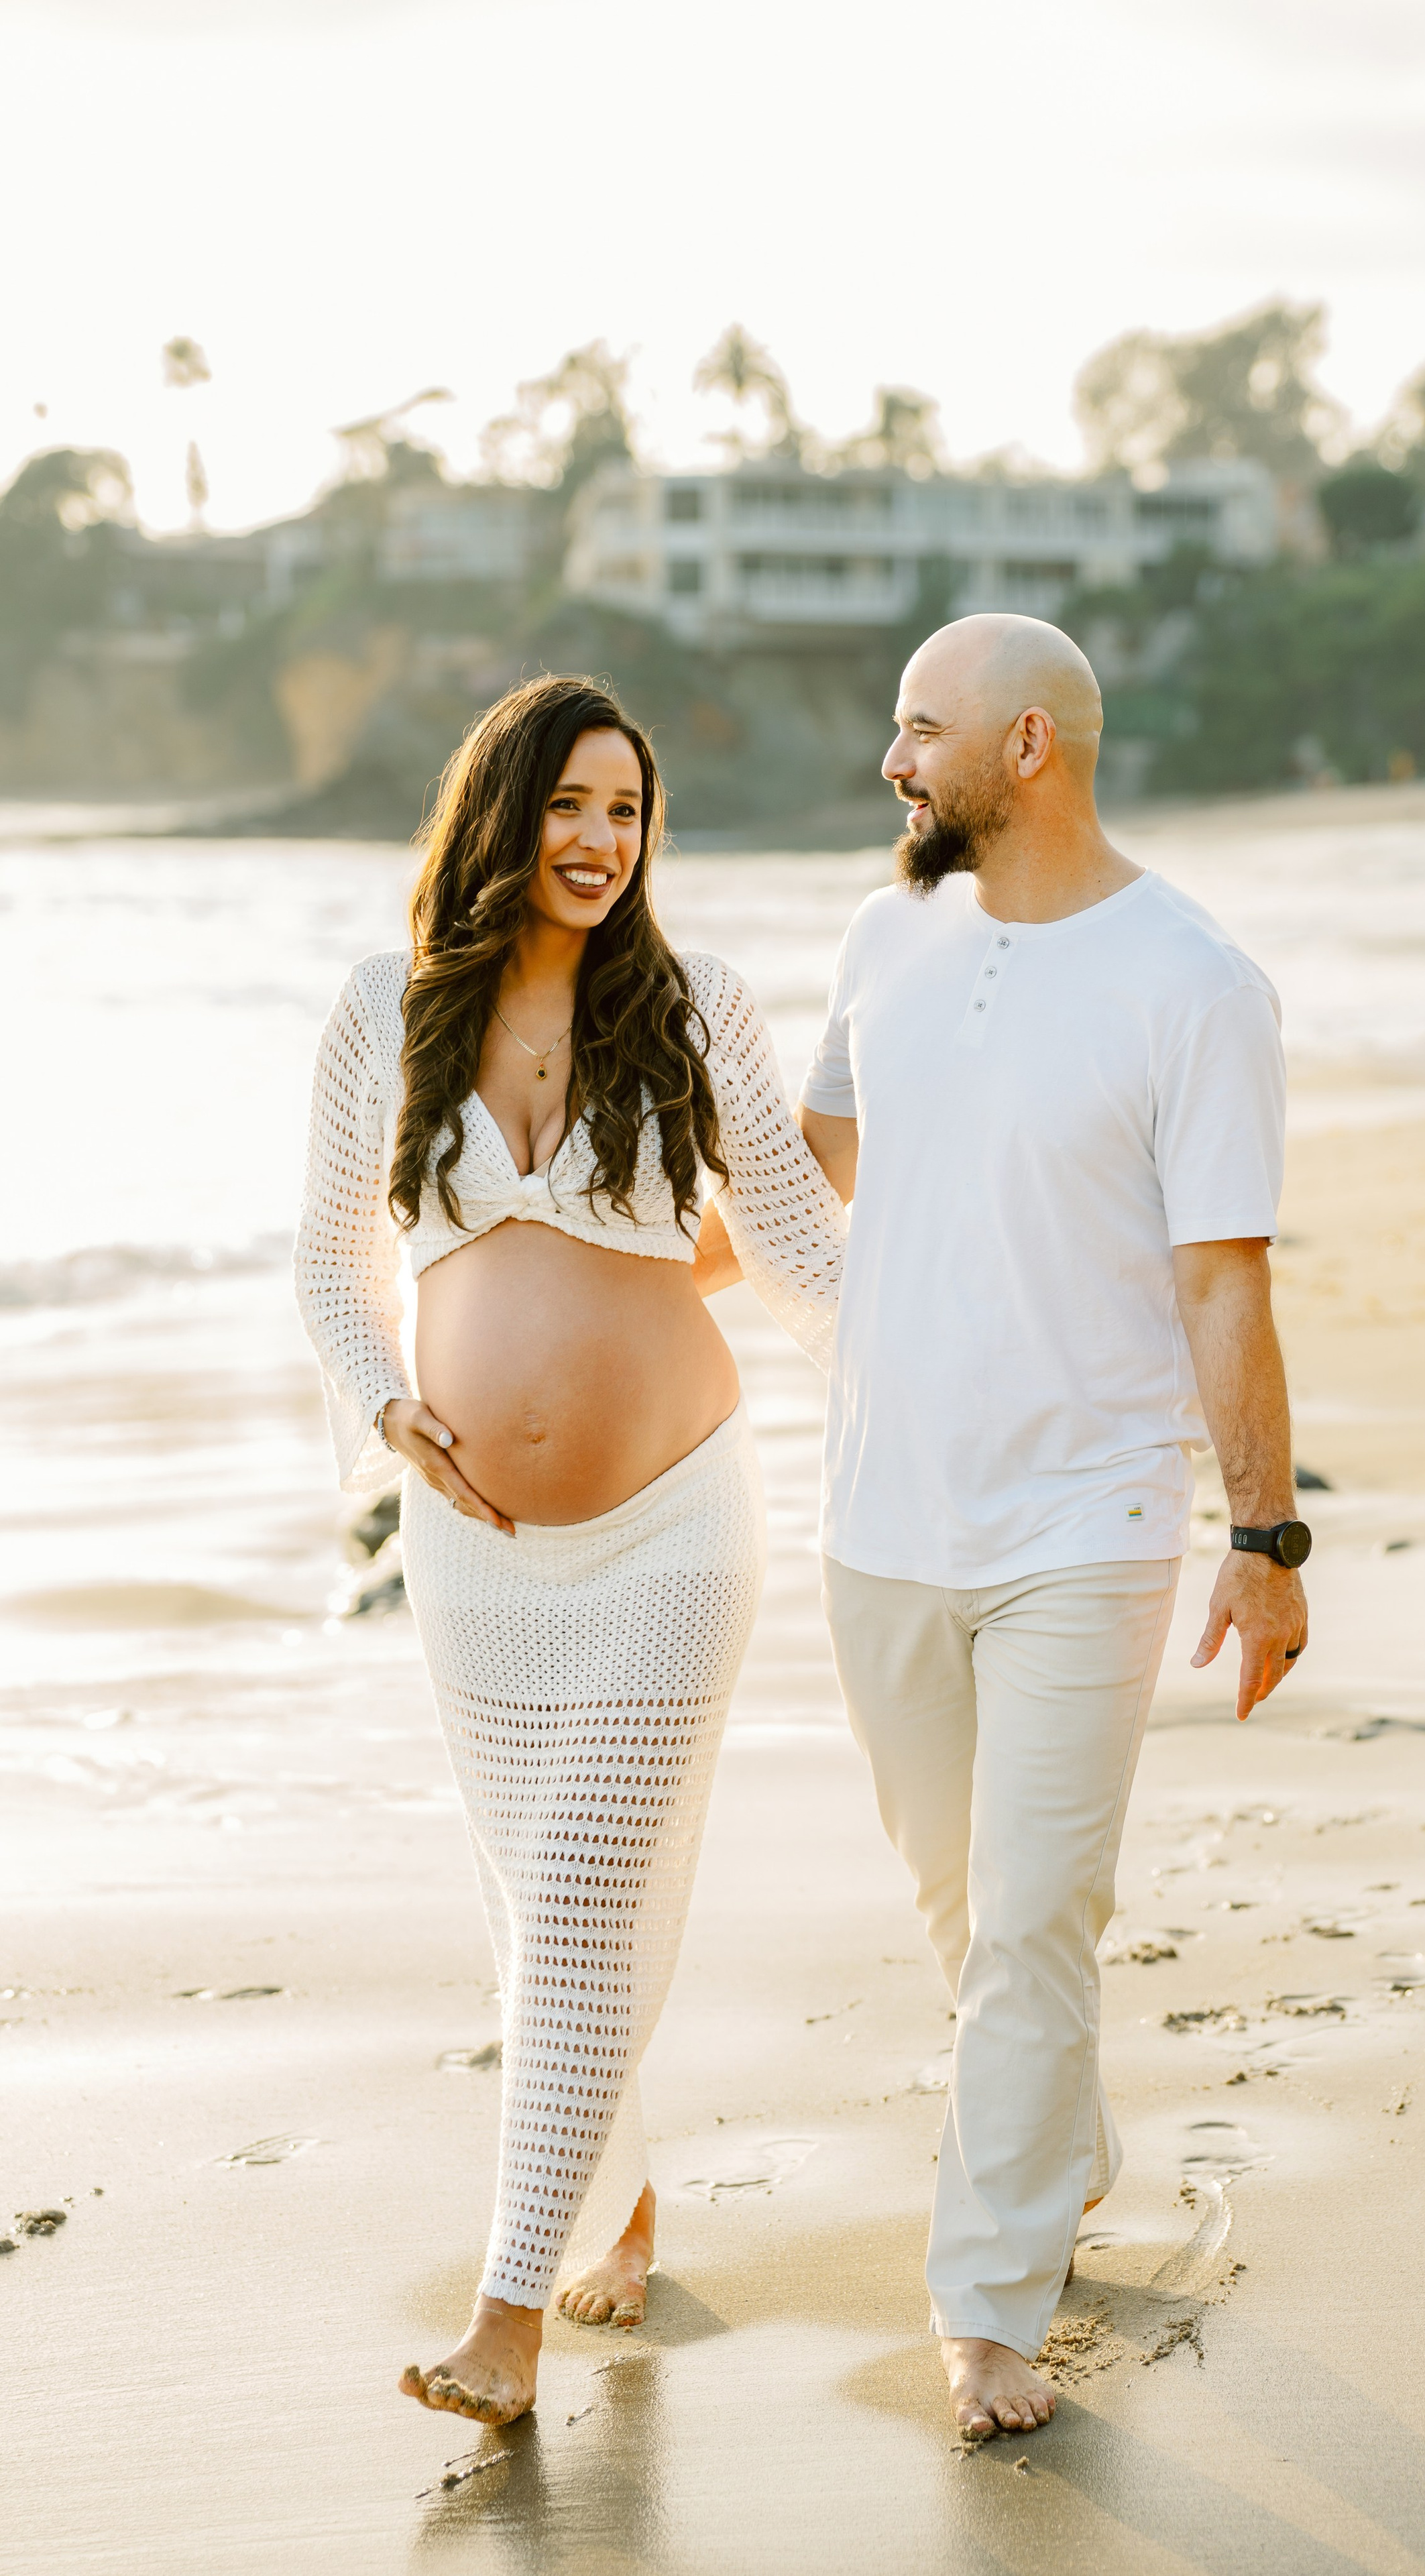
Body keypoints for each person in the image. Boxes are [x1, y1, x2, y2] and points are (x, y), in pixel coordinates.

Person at [294, 675, 845, 2426]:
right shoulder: (383, 1011)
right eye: (572, 805)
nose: (603, 839)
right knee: (538, 1911)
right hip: (471, 1556)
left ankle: (505, 2318)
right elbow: (326, 1268)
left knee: (590, 1886)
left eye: (629, 809)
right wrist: (389, 1409)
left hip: (674, 1526)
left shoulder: (694, 1010)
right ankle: (616, 2195)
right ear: (501, 810)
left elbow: (806, 1249)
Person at [799, 614, 1308, 2441]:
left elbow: (1224, 1283)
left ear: (1026, 746)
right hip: (879, 1510)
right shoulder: (881, 936)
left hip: (1087, 1519)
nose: (891, 761)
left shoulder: (1195, 982)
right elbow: (803, 1186)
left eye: (917, 730)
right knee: (963, 1899)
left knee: (1034, 1918)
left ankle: (990, 2294)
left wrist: (1269, 1538)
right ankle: (1063, 2131)